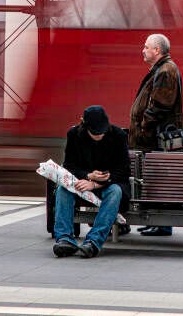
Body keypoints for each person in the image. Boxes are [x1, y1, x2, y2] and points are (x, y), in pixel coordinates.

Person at [52, 105, 131, 258]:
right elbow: (69, 166)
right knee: (63, 191)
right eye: (95, 133)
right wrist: (88, 176)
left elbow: (123, 171)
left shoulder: (118, 135)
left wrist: (96, 183)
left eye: (102, 131)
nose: (100, 135)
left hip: (109, 183)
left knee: (115, 191)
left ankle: (93, 242)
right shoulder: (74, 135)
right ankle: (64, 239)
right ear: (85, 127)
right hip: (83, 181)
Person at [129, 33, 183, 236]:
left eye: (146, 47)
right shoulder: (161, 69)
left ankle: (162, 224)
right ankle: (156, 221)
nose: (143, 50)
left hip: (156, 139)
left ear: (157, 50)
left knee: (159, 178)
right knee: (153, 179)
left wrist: (144, 126)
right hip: (152, 138)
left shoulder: (166, 70)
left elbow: (160, 105)